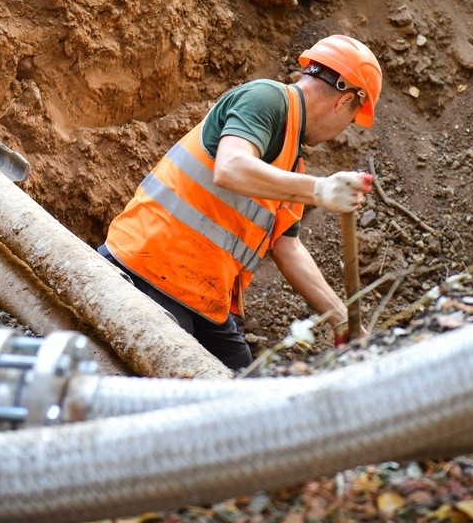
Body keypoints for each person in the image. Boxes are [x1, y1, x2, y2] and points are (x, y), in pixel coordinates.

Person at [97, 34, 382, 371]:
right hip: (147, 271)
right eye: (350, 120)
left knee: (240, 379)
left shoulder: (293, 160)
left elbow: (287, 248)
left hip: (202, 298)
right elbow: (231, 168)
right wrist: (319, 190)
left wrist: (341, 319)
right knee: (180, 381)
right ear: (343, 100)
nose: (342, 130)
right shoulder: (266, 99)